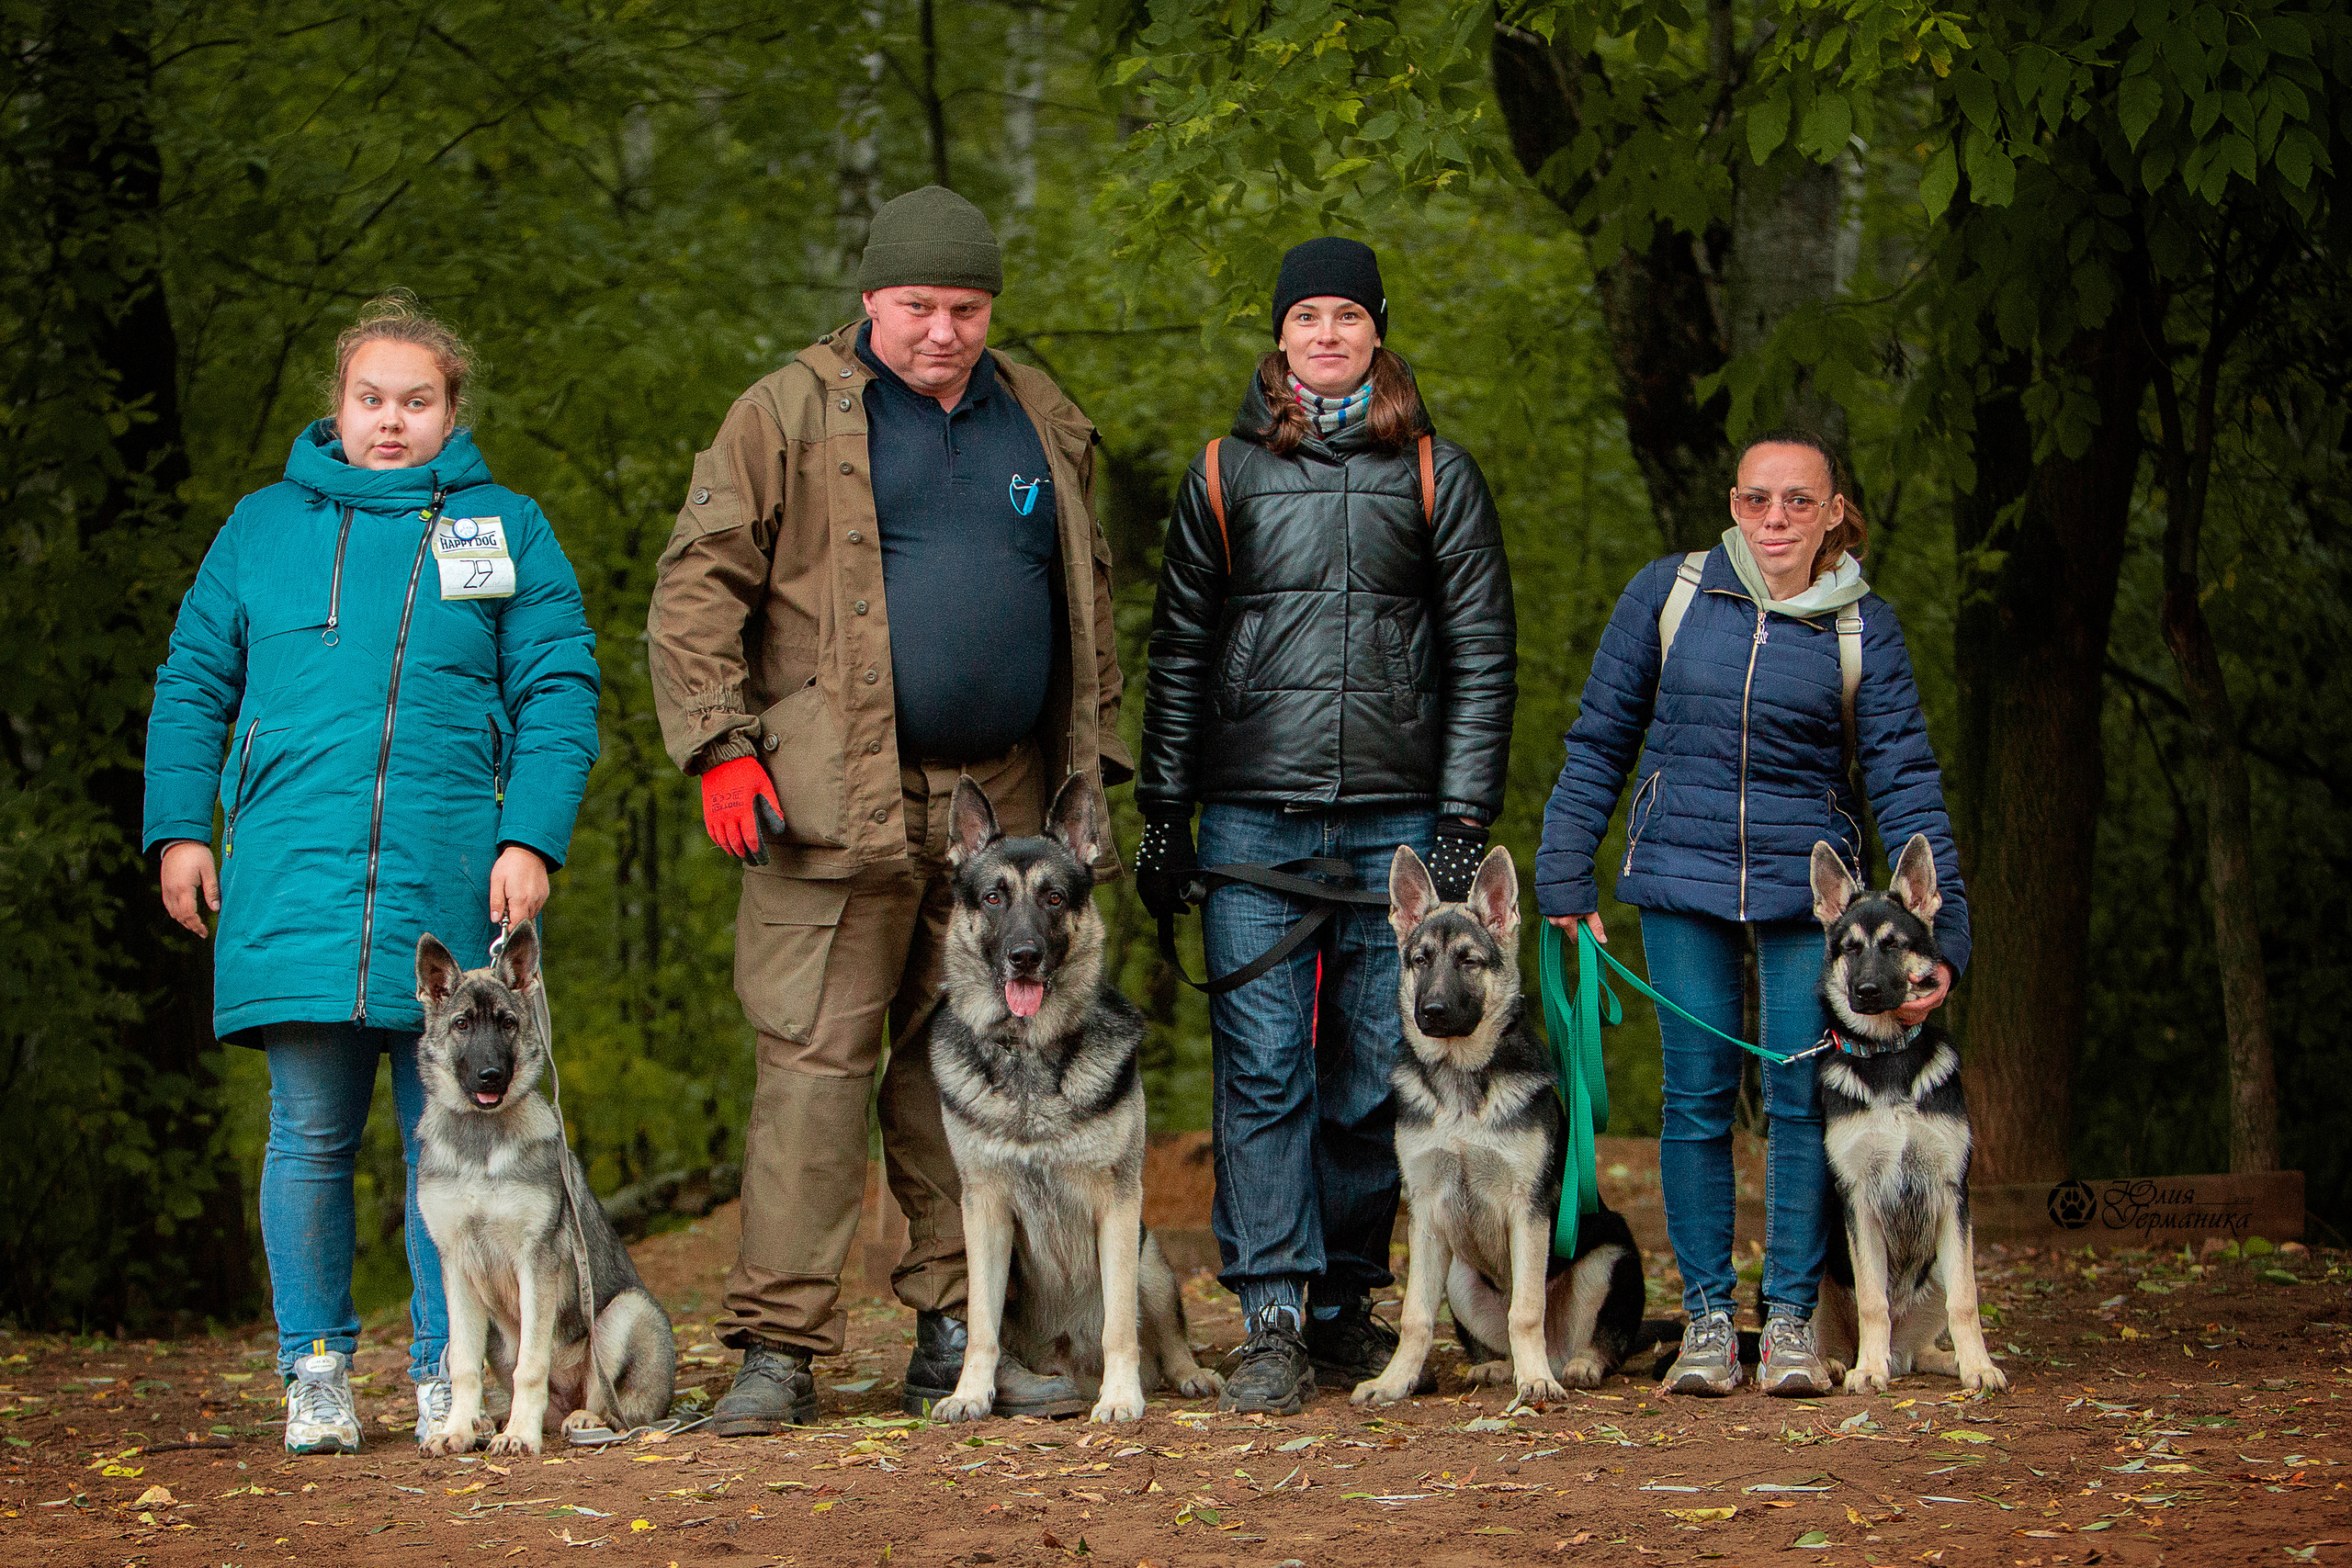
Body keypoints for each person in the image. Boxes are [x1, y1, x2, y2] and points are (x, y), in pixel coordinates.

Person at [647, 185, 1131, 1433]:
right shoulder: (788, 414)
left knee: (968, 1063)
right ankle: (778, 1351)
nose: (944, 329)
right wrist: (717, 747)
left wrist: (1100, 754)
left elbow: (1091, 594)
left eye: (967, 306)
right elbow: (697, 586)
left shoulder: (1038, 411)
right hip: (825, 799)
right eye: (918, 305)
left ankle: (959, 1331)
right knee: (814, 1065)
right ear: (870, 298)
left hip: (1005, 812)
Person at [142, 293, 602, 1453]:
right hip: (290, 872)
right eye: (370, 400)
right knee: (304, 1134)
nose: (390, 422)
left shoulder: (499, 526)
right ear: (335, 408)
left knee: (441, 1140)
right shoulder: (260, 527)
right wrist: (179, 831)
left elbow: (557, 688)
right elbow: (194, 677)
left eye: (416, 402)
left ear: (451, 412)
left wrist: (529, 837)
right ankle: (315, 1371)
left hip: (448, 877)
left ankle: (447, 1376)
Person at [1131, 237, 1518, 1414]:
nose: (1328, 335)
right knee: (1260, 1074)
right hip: (1251, 816)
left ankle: (1347, 1300)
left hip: (1394, 821)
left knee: (1363, 1078)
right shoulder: (1221, 472)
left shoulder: (1435, 474)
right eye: (1307, 316)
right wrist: (1163, 811)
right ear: (1281, 334)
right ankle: (1272, 1314)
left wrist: (1460, 815)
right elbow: (1181, 650)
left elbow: (1481, 657)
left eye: (1348, 314)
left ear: (1377, 331)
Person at [1534, 428, 1971, 1398]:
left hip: (1804, 901)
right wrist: (1564, 870)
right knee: (1691, 1104)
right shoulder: (1670, 592)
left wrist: (1947, 948)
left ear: (1831, 514)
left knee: (1794, 1106)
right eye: (1756, 500)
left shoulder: (1864, 627)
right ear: (1733, 505)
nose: (1774, 519)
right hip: (1678, 879)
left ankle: (1785, 1323)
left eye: (1797, 502)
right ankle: (1702, 1319)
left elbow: (1905, 785)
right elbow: (1599, 733)